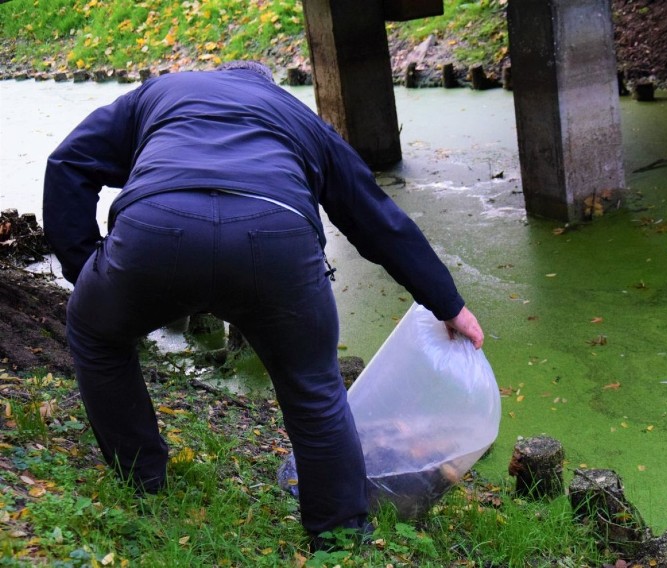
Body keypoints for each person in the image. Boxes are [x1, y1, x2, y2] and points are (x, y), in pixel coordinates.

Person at [42, 60, 484, 545]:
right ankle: (337, 537)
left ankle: (143, 481)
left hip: (156, 230)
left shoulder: (159, 92)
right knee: (314, 389)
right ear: (264, 83)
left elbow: (68, 164)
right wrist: (448, 303)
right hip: (275, 241)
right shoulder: (297, 115)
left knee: (96, 332)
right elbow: (374, 217)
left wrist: (85, 271)